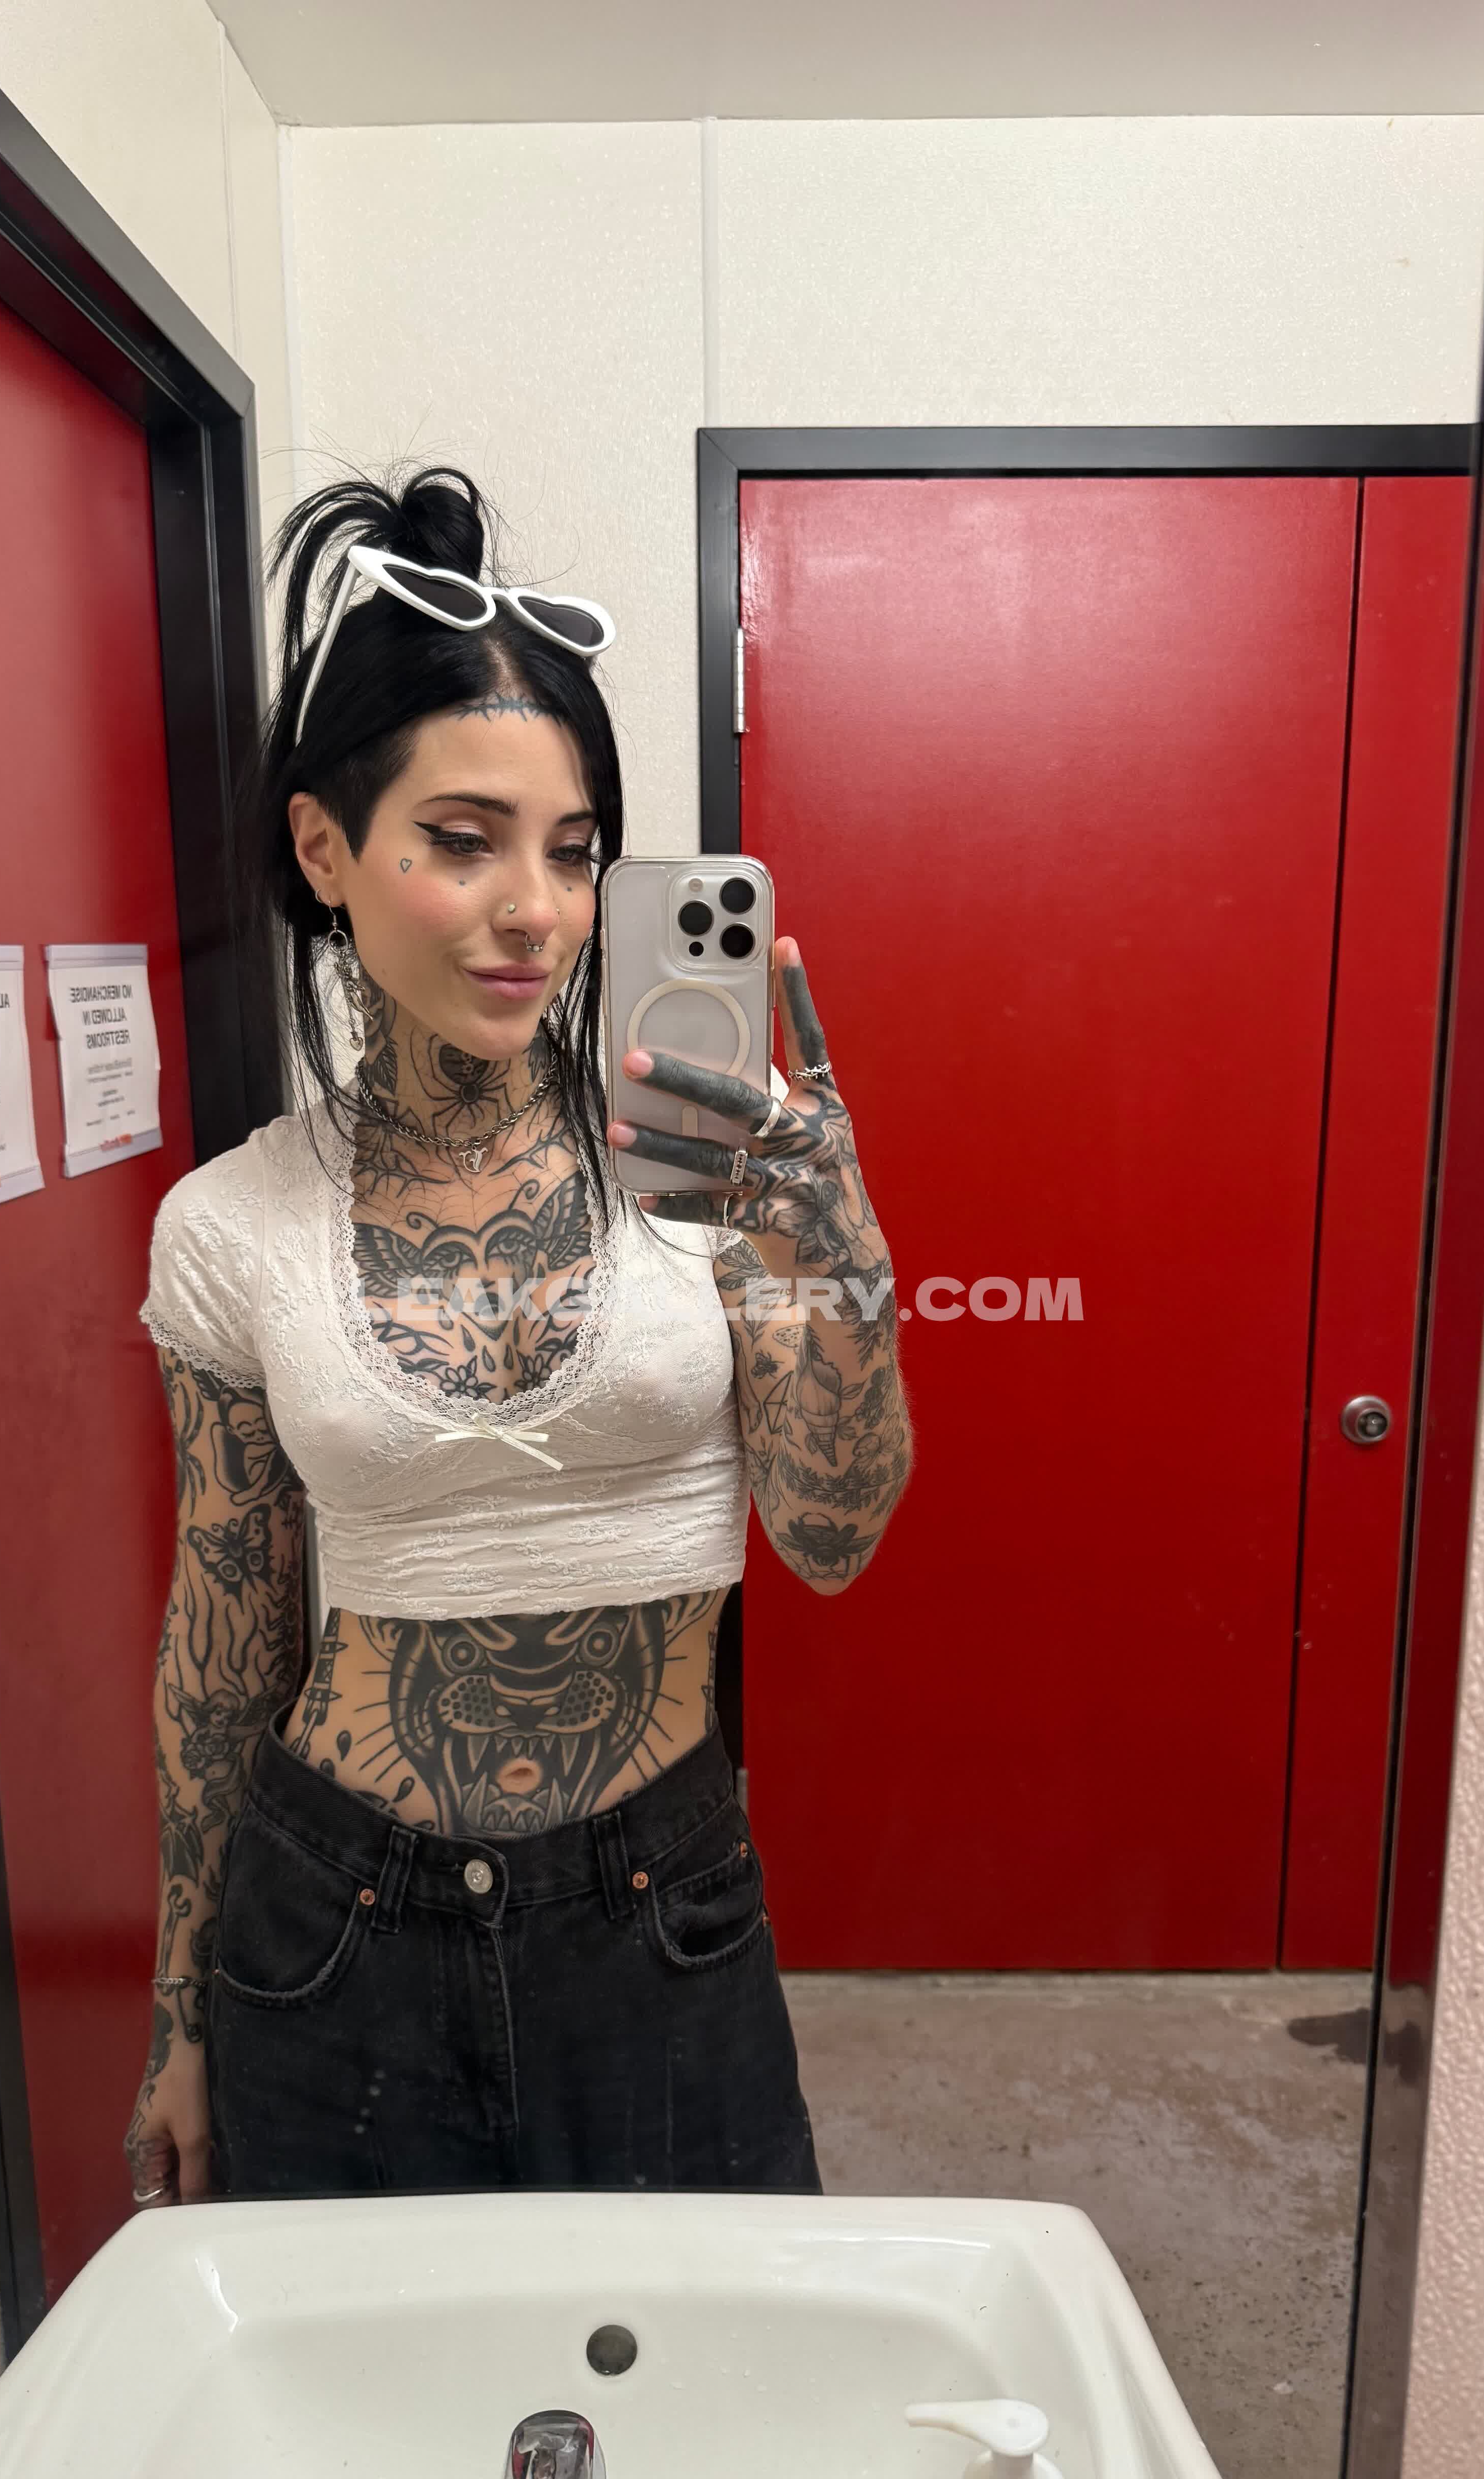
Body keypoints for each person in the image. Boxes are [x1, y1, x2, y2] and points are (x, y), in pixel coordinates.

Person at [125, 465, 912, 2205]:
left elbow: (833, 1536)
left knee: (710, 2355)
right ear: (326, 850)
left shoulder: (710, 1163)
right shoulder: (231, 1225)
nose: (537, 909)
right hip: (329, 1928)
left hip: (658, 1909)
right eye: (465, 841)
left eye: (573, 850)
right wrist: (180, 2010)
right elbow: (225, 1632)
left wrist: (831, 1240)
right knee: (368, 2373)